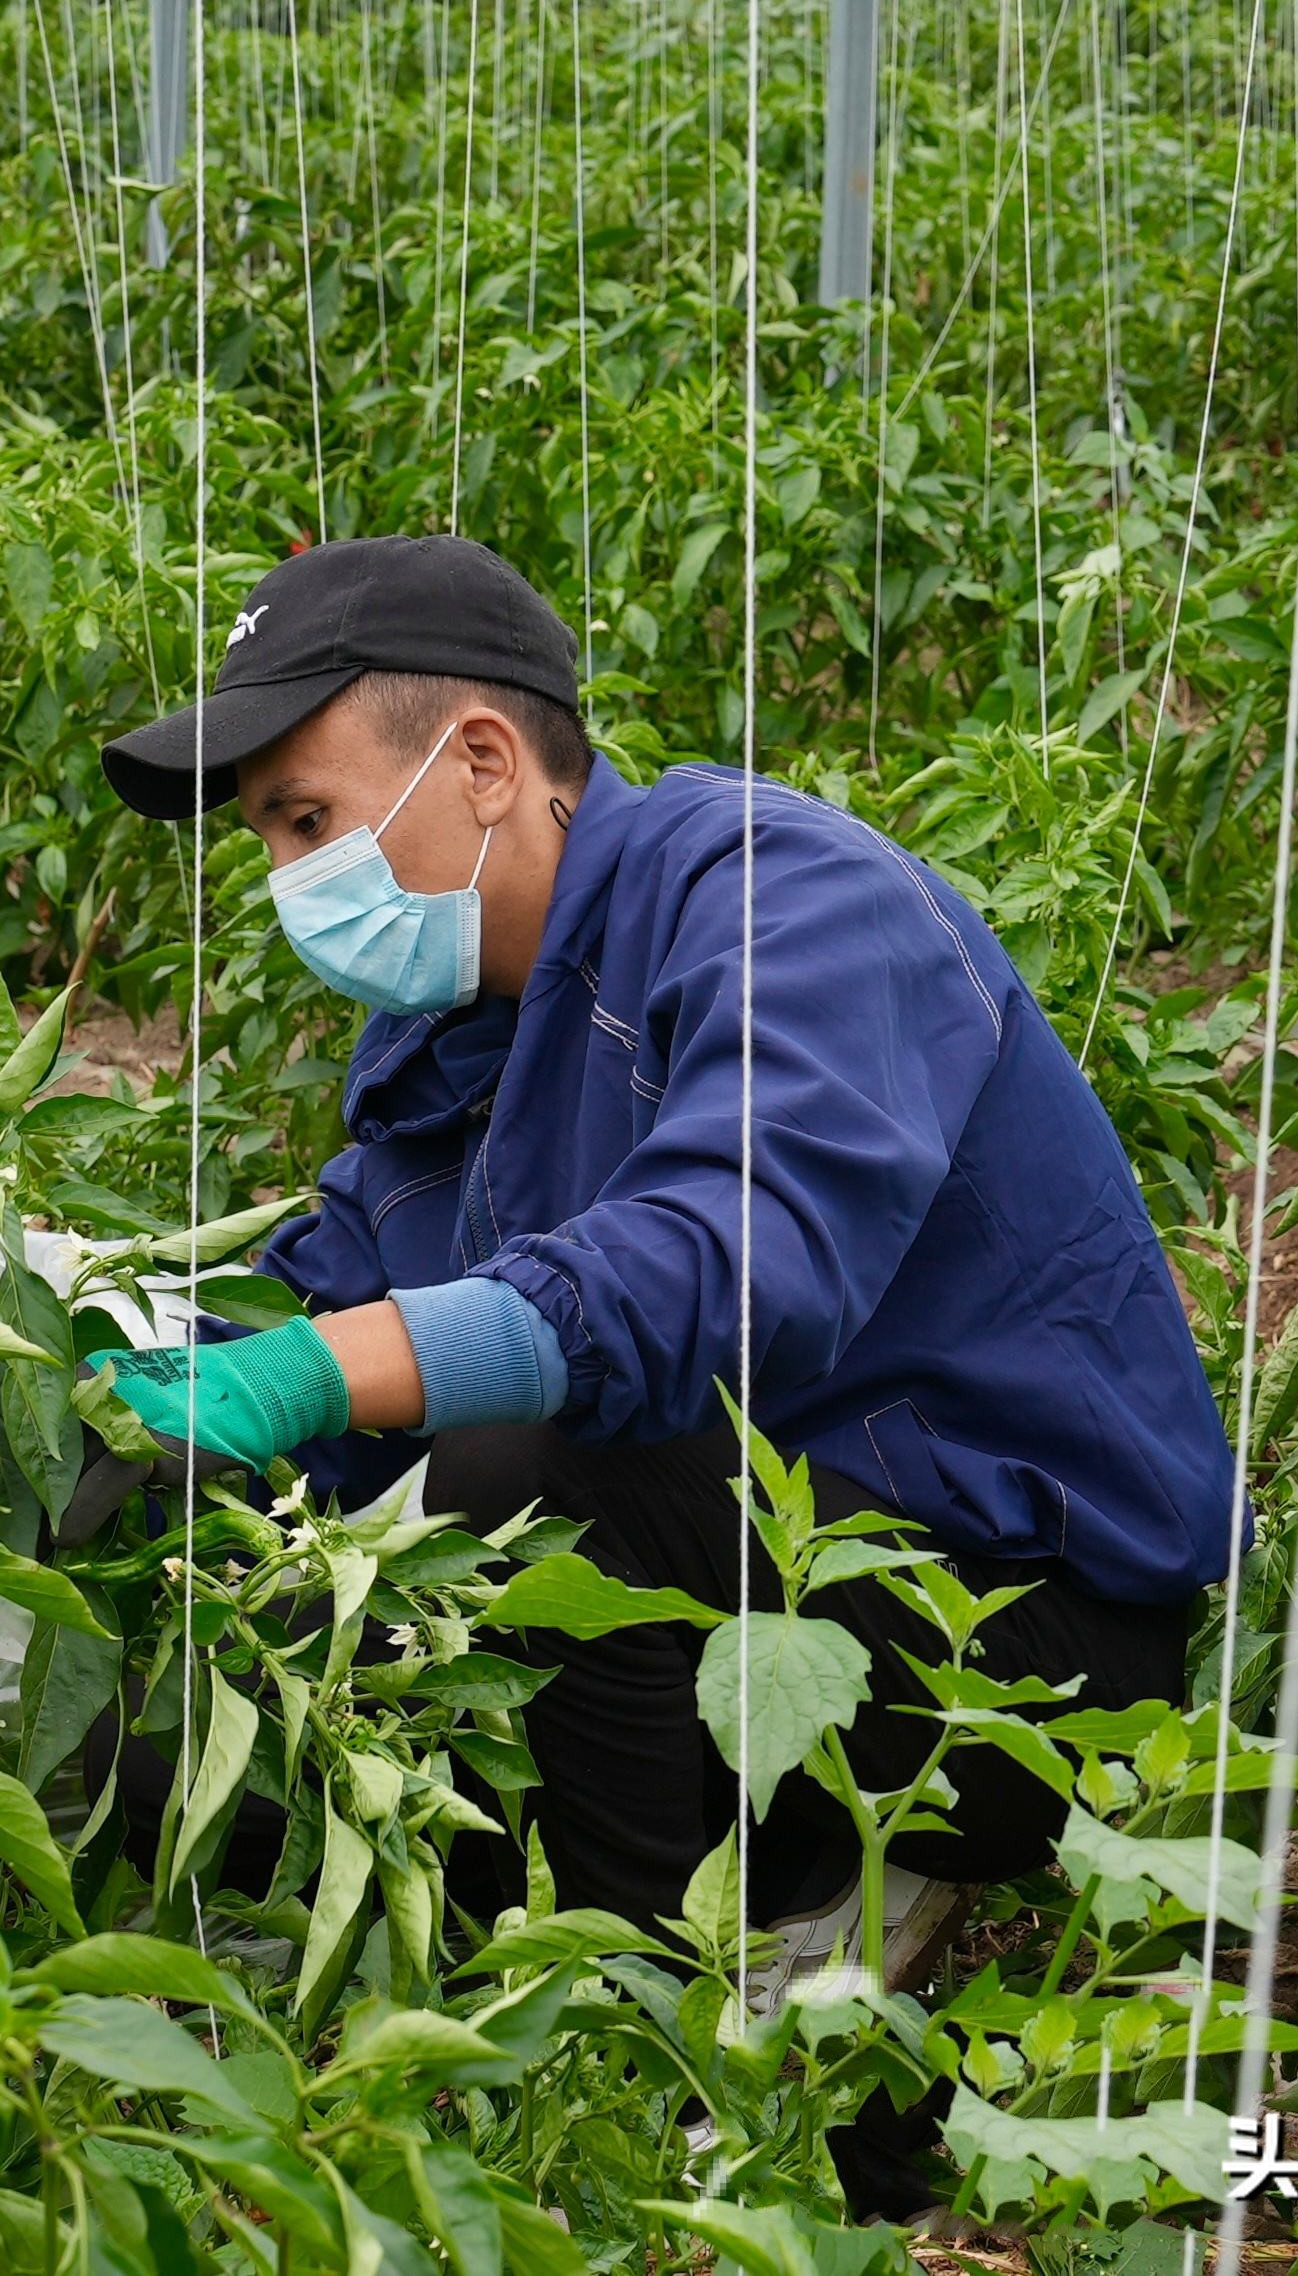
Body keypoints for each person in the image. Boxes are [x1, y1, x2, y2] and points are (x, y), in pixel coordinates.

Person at [81, 534, 1239, 2204]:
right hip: (741, 1577)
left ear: (479, 761)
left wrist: (311, 1377)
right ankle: (517, 1990)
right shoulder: (444, 1031)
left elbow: (715, 1273)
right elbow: (332, 1295)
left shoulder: (778, 896)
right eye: (271, 835)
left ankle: (674, 2047)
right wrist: (128, 1380)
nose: (285, 879)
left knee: (535, 1467)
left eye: (306, 820)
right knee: (229, 1629)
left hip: (1019, 1644)